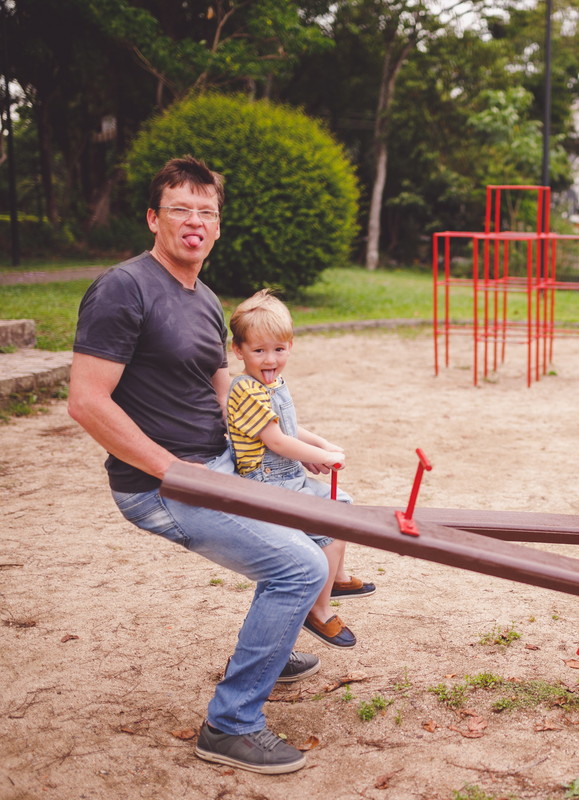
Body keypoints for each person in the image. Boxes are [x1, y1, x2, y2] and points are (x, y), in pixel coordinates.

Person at [69, 156, 327, 774]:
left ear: (217, 226)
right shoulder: (123, 288)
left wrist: (280, 444)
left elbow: (226, 394)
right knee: (300, 567)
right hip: (162, 484)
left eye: (205, 212)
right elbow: (86, 400)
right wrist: (171, 470)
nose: (194, 222)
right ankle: (230, 725)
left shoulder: (205, 297)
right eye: (180, 209)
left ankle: (276, 643)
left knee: (323, 514)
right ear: (154, 218)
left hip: (217, 464)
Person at [226, 289, 375, 650]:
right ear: (238, 350)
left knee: (343, 504)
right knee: (328, 527)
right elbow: (276, 441)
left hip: (288, 477)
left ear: (290, 346)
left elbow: (290, 428)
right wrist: (315, 453)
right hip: (266, 484)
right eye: (258, 350)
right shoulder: (247, 389)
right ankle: (318, 611)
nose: (270, 359)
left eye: (278, 349)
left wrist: (321, 444)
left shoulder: (272, 383)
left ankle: (335, 578)